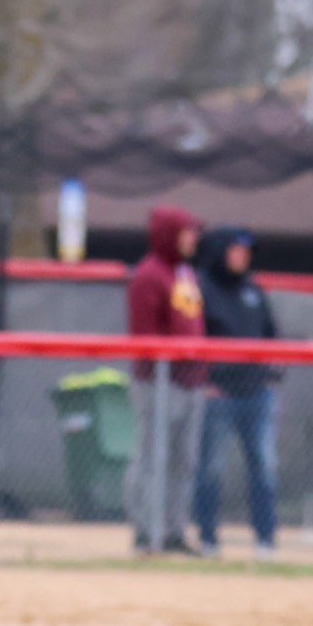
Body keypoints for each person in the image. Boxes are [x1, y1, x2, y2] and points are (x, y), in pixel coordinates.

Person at [191, 226, 280, 560]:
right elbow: (195, 338)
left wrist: (270, 377)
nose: (241, 257)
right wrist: (206, 381)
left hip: (257, 393)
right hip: (219, 394)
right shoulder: (202, 288)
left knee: (264, 466)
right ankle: (208, 539)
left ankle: (266, 540)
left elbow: (271, 336)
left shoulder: (254, 291)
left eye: (246, 252)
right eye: (235, 250)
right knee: (211, 468)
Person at [122, 204, 206, 554]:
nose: (192, 239)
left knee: (183, 462)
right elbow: (144, 336)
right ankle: (146, 531)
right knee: (152, 459)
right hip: (158, 382)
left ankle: (173, 531)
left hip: (191, 381)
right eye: (185, 232)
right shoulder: (149, 275)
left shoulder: (185, 273)